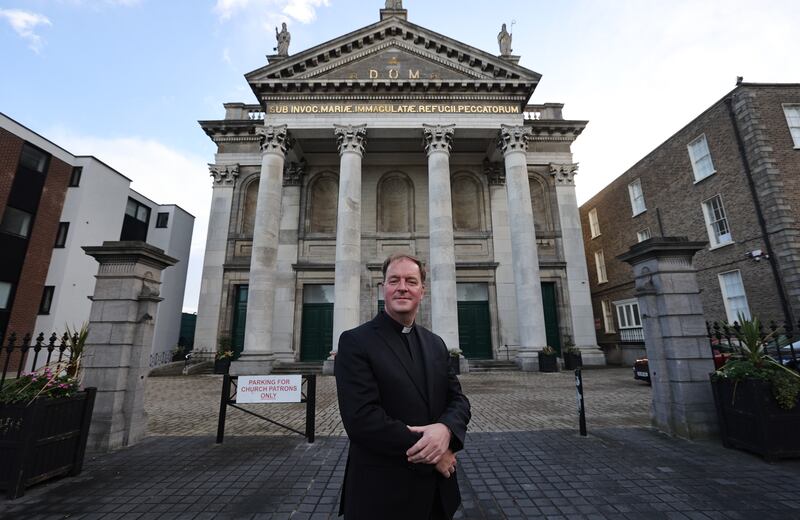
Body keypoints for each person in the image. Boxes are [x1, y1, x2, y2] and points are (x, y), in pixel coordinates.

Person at [335, 254, 471, 519]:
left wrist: (446, 431)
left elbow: (458, 401)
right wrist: (435, 453)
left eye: (411, 281)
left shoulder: (436, 343)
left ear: (422, 290)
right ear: (382, 287)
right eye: (393, 280)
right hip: (382, 495)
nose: (402, 287)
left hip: (437, 496)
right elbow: (362, 420)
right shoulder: (355, 342)